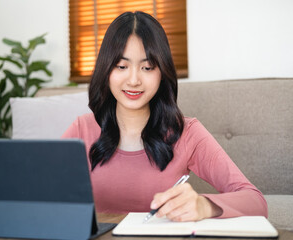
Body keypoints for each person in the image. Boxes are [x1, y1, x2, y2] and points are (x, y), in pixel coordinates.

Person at [62, 11, 267, 222]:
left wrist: (204, 205)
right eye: (122, 66)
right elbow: (37, 192)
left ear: (162, 71)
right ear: (106, 70)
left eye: (147, 67)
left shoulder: (187, 132)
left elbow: (256, 201)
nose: (133, 80)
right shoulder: (81, 129)